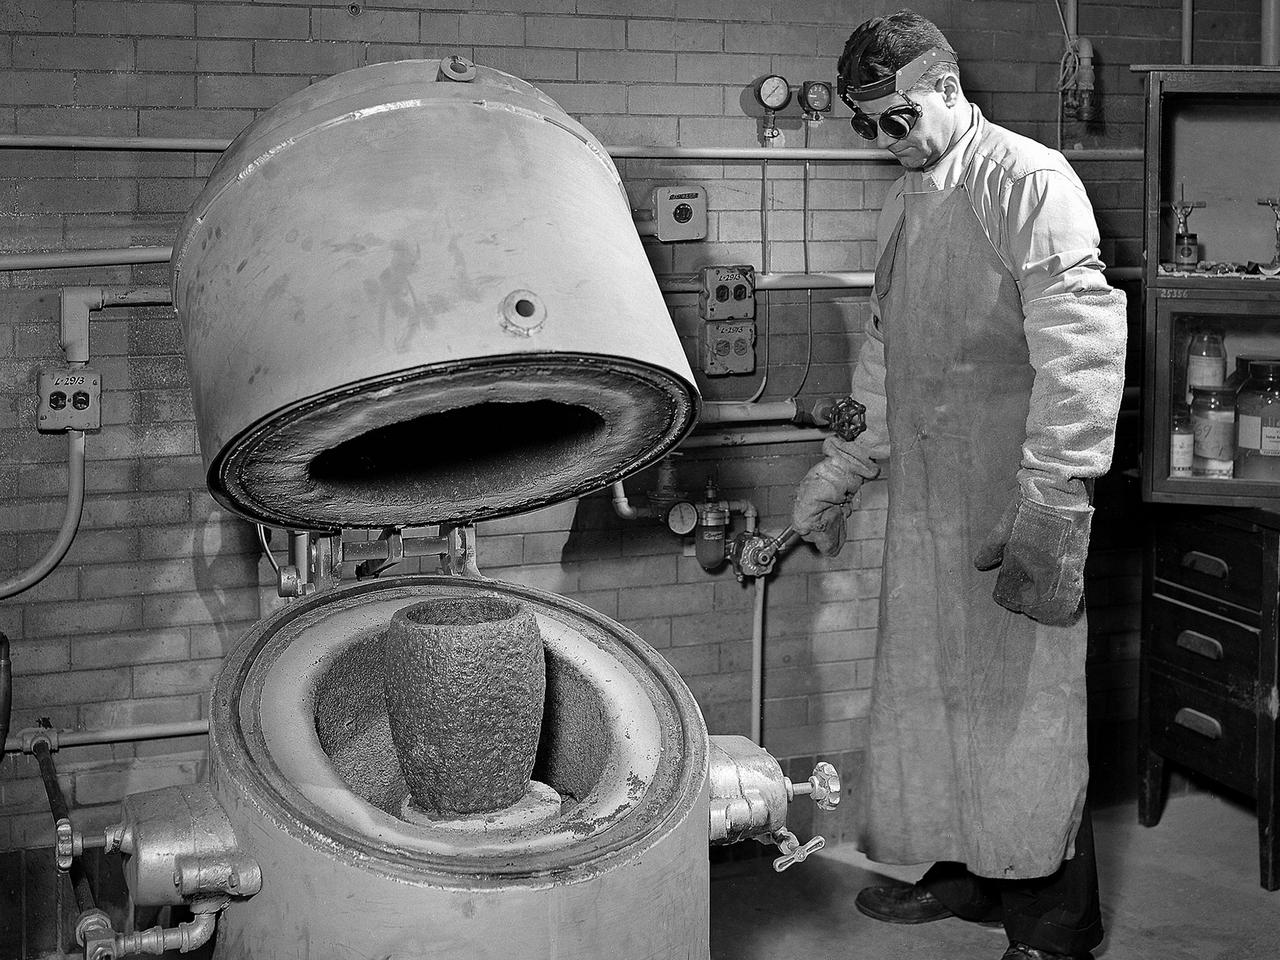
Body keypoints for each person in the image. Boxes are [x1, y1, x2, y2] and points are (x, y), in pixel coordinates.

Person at [790, 10, 1127, 960]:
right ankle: (968, 872)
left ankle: (1054, 921)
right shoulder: (904, 201)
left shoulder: (1028, 181)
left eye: (896, 120)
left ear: (946, 89)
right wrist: (843, 469)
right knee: (932, 694)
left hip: (1015, 498)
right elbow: (885, 352)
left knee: (1026, 708)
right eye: (868, 127)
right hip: (930, 503)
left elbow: (1083, 346)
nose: (884, 141)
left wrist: (1055, 495)